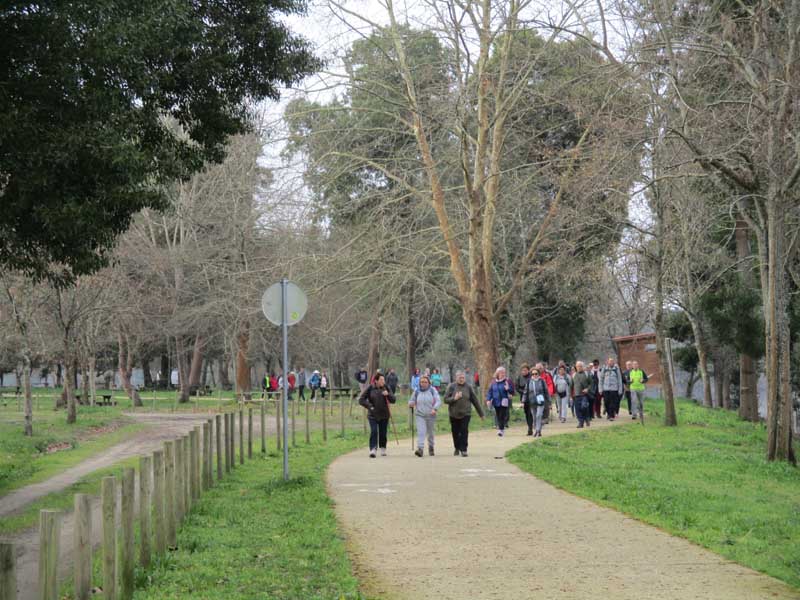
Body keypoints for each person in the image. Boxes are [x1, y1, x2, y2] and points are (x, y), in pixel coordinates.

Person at [443, 370, 484, 456]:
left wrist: (481, 414)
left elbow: (475, 401)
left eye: (463, 378)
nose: (461, 379)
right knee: (455, 432)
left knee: (464, 430)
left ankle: (464, 449)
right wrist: (454, 398)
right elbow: (445, 400)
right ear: (456, 378)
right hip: (454, 414)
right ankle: (457, 447)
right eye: (460, 378)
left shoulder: (468, 387)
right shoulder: (451, 386)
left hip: (466, 413)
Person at [359, 372, 396, 458]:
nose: (383, 381)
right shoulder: (370, 388)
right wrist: (370, 406)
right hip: (373, 415)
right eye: (381, 380)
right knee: (374, 431)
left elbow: (393, 400)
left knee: (383, 433)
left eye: (383, 379)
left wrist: (388, 394)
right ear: (376, 381)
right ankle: (373, 449)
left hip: (384, 414)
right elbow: (361, 400)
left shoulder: (386, 387)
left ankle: (383, 448)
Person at [409, 375, 441, 457]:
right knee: (421, 432)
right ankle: (420, 449)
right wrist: (411, 404)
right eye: (422, 382)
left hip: (431, 414)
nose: (423, 384)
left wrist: (435, 409)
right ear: (419, 383)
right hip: (420, 414)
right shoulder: (416, 391)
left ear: (429, 383)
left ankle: (431, 447)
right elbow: (411, 400)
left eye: (425, 382)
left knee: (430, 433)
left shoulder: (432, 390)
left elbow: (438, 400)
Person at [485, 367, 514, 437]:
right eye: (501, 372)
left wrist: (508, 389)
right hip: (496, 401)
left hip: (504, 401)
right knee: (498, 415)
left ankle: (501, 430)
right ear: (497, 373)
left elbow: (512, 391)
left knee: (502, 415)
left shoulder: (507, 381)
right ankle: (501, 428)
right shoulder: (493, 382)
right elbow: (490, 392)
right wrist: (488, 400)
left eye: (504, 372)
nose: (503, 374)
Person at [524, 367, 550, 437]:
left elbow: (546, 391)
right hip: (532, 401)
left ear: (538, 374)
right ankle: (538, 430)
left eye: (536, 373)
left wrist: (549, 402)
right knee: (535, 417)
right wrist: (523, 401)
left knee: (539, 415)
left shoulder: (542, 381)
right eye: (533, 374)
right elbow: (526, 391)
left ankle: (537, 430)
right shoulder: (529, 381)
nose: (534, 375)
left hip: (540, 401)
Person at [571, 361, 595, 428]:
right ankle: (581, 422)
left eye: (580, 366)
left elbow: (591, 383)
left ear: (583, 367)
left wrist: (587, 389)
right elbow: (571, 386)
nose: (579, 367)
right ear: (576, 367)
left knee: (584, 407)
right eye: (578, 366)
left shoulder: (587, 374)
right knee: (578, 410)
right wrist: (570, 396)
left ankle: (587, 418)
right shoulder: (573, 375)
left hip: (584, 395)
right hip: (576, 395)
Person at [516, 363, 533, 436]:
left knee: (531, 412)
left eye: (525, 370)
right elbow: (517, 387)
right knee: (526, 413)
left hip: (531, 397)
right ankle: (529, 426)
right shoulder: (519, 377)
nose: (524, 372)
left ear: (528, 371)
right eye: (522, 370)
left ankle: (531, 427)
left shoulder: (532, 377)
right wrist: (523, 392)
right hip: (523, 398)